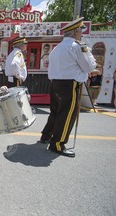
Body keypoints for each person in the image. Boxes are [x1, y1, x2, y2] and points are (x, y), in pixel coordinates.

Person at [40, 17, 96, 157]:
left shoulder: (57, 48)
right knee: (67, 115)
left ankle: (46, 136)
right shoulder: (77, 47)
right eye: (80, 31)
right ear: (76, 32)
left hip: (55, 83)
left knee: (55, 112)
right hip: (69, 84)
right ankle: (58, 144)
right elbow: (88, 66)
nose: (81, 34)